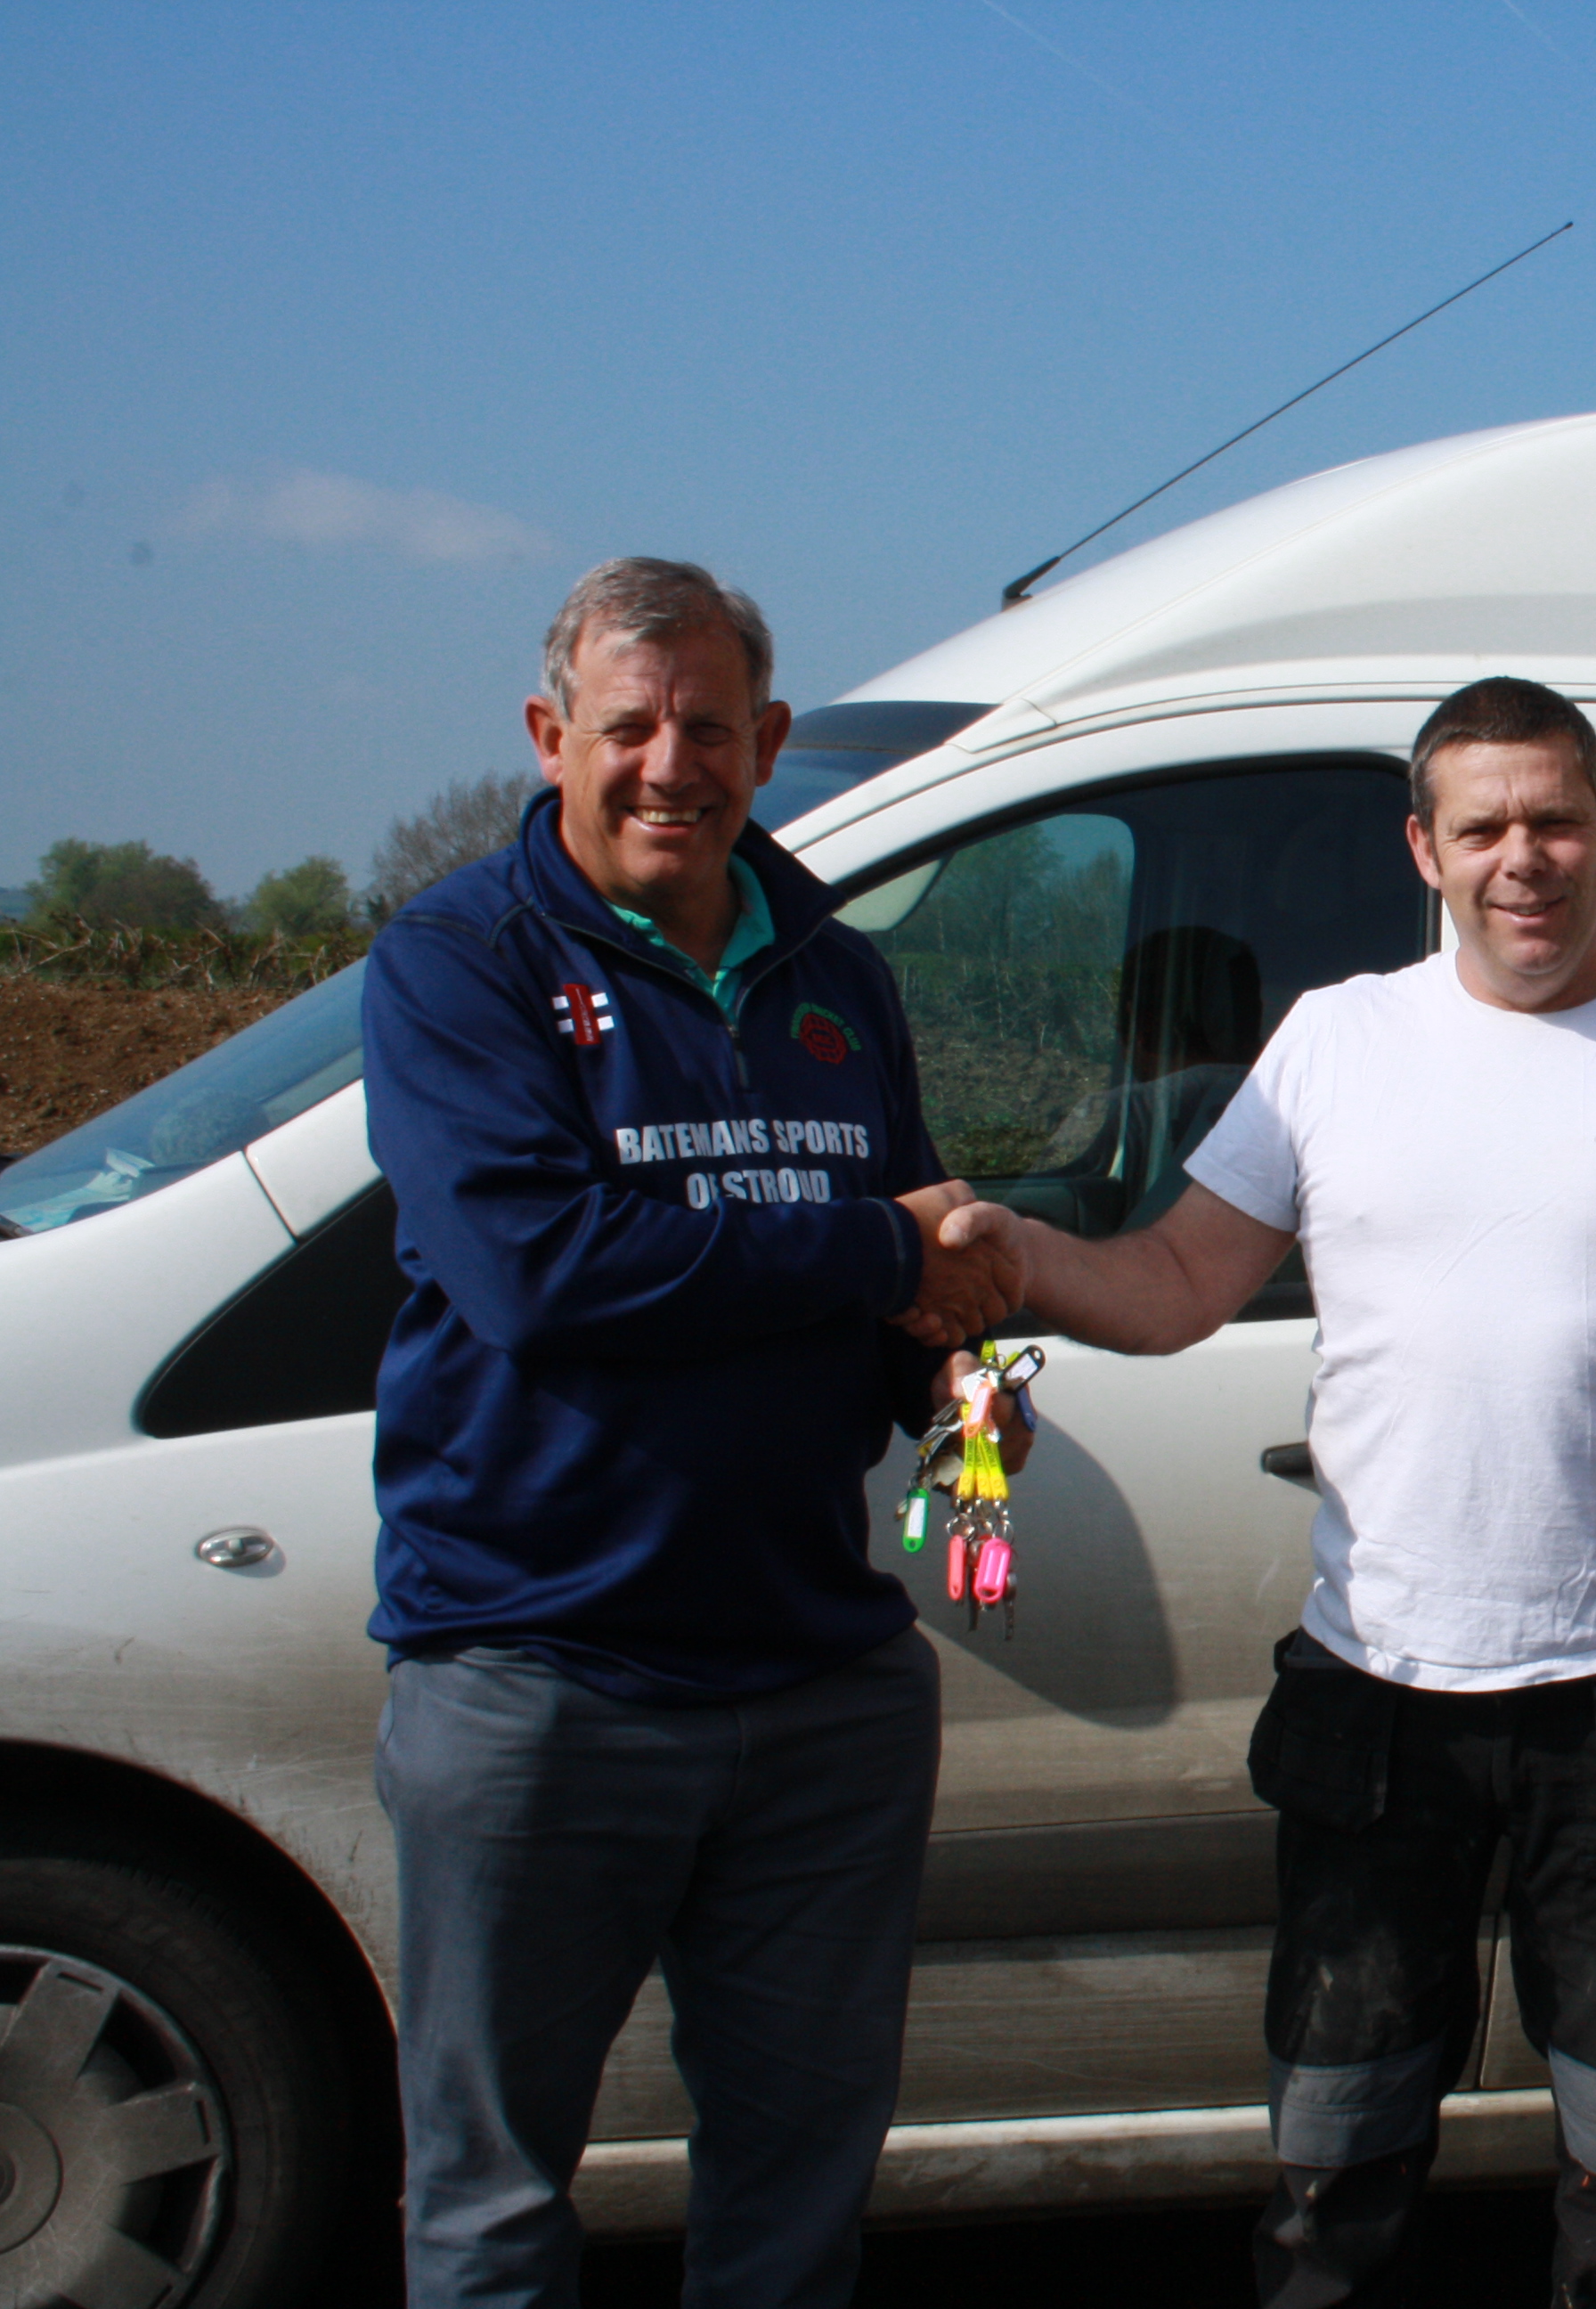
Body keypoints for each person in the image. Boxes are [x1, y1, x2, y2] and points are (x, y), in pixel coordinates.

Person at [926, 676, 1596, 2305]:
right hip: (1377, 1694)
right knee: (1332, 2190)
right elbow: (1178, 1281)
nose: (1525, 858)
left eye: (1556, 820)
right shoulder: (1332, 1042)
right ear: (1425, 849)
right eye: (1484, 826)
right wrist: (1015, 1256)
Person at [362, 557, 1024, 2306]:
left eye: (711, 728)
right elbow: (542, 1272)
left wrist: (964, 1382)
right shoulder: (458, 964)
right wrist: (878, 1253)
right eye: (630, 727)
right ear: (550, 736)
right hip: (540, 1679)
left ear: (770, 740)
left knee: (796, 2212)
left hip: (817, 1695)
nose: (673, 766)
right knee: (494, 2214)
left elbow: (910, 1296)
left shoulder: (837, 976)